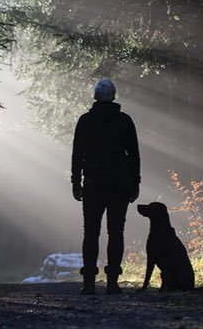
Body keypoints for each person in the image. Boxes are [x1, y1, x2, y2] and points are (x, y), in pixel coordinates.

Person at [71, 78, 141, 295]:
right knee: (116, 232)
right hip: (119, 183)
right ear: (114, 95)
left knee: (91, 232)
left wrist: (76, 182)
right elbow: (134, 155)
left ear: (95, 96)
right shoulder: (125, 121)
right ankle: (112, 283)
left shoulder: (85, 121)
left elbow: (77, 154)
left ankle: (89, 283)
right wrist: (134, 182)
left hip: (93, 182)